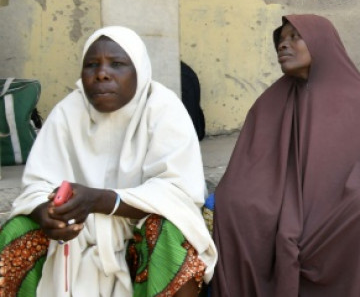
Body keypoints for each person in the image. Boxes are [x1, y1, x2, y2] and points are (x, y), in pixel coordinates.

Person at [0, 26, 216, 296]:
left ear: (140, 70)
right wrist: (47, 213)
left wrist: (101, 200)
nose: (102, 73)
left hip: (138, 226)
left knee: (171, 234)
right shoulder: (68, 111)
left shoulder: (163, 109)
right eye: (92, 65)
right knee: (18, 229)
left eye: (117, 64)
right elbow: (37, 185)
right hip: (77, 234)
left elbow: (178, 193)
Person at [211, 15, 360, 296]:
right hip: (282, 201)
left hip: (338, 209)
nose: (282, 45)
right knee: (232, 202)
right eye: (281, 40)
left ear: (321, 42)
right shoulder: (270, 101)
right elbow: (250, 167)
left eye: (294, 37)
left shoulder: (359, 98)